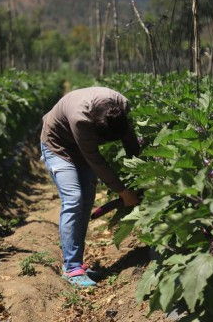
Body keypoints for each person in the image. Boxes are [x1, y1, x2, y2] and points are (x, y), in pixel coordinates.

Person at [40, 86, 140, 287]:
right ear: (96, 127)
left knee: (87, 201)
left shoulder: (121, 106)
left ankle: (76, 263)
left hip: (82, 146)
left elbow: (129, 139)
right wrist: (123, 191)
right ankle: (71, 268)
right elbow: (96, 160)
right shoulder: (81, 119)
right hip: (59, 146)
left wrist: (138, 173)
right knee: (74, 199)